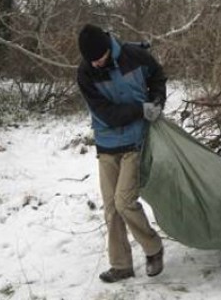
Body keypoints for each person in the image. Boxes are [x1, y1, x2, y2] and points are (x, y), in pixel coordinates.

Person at [77, 24, 167, 283]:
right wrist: (141, 108)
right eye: (90, 60)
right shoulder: (85, 72)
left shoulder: (135, 56)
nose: (95, 64)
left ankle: (153, 249)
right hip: (107, 143)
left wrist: (157, 102)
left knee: (124, 201)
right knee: (111, 208)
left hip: (136, 142)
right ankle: (121, 265)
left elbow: (158, 77)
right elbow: (106, 113)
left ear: (108, 48)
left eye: (99, 58)